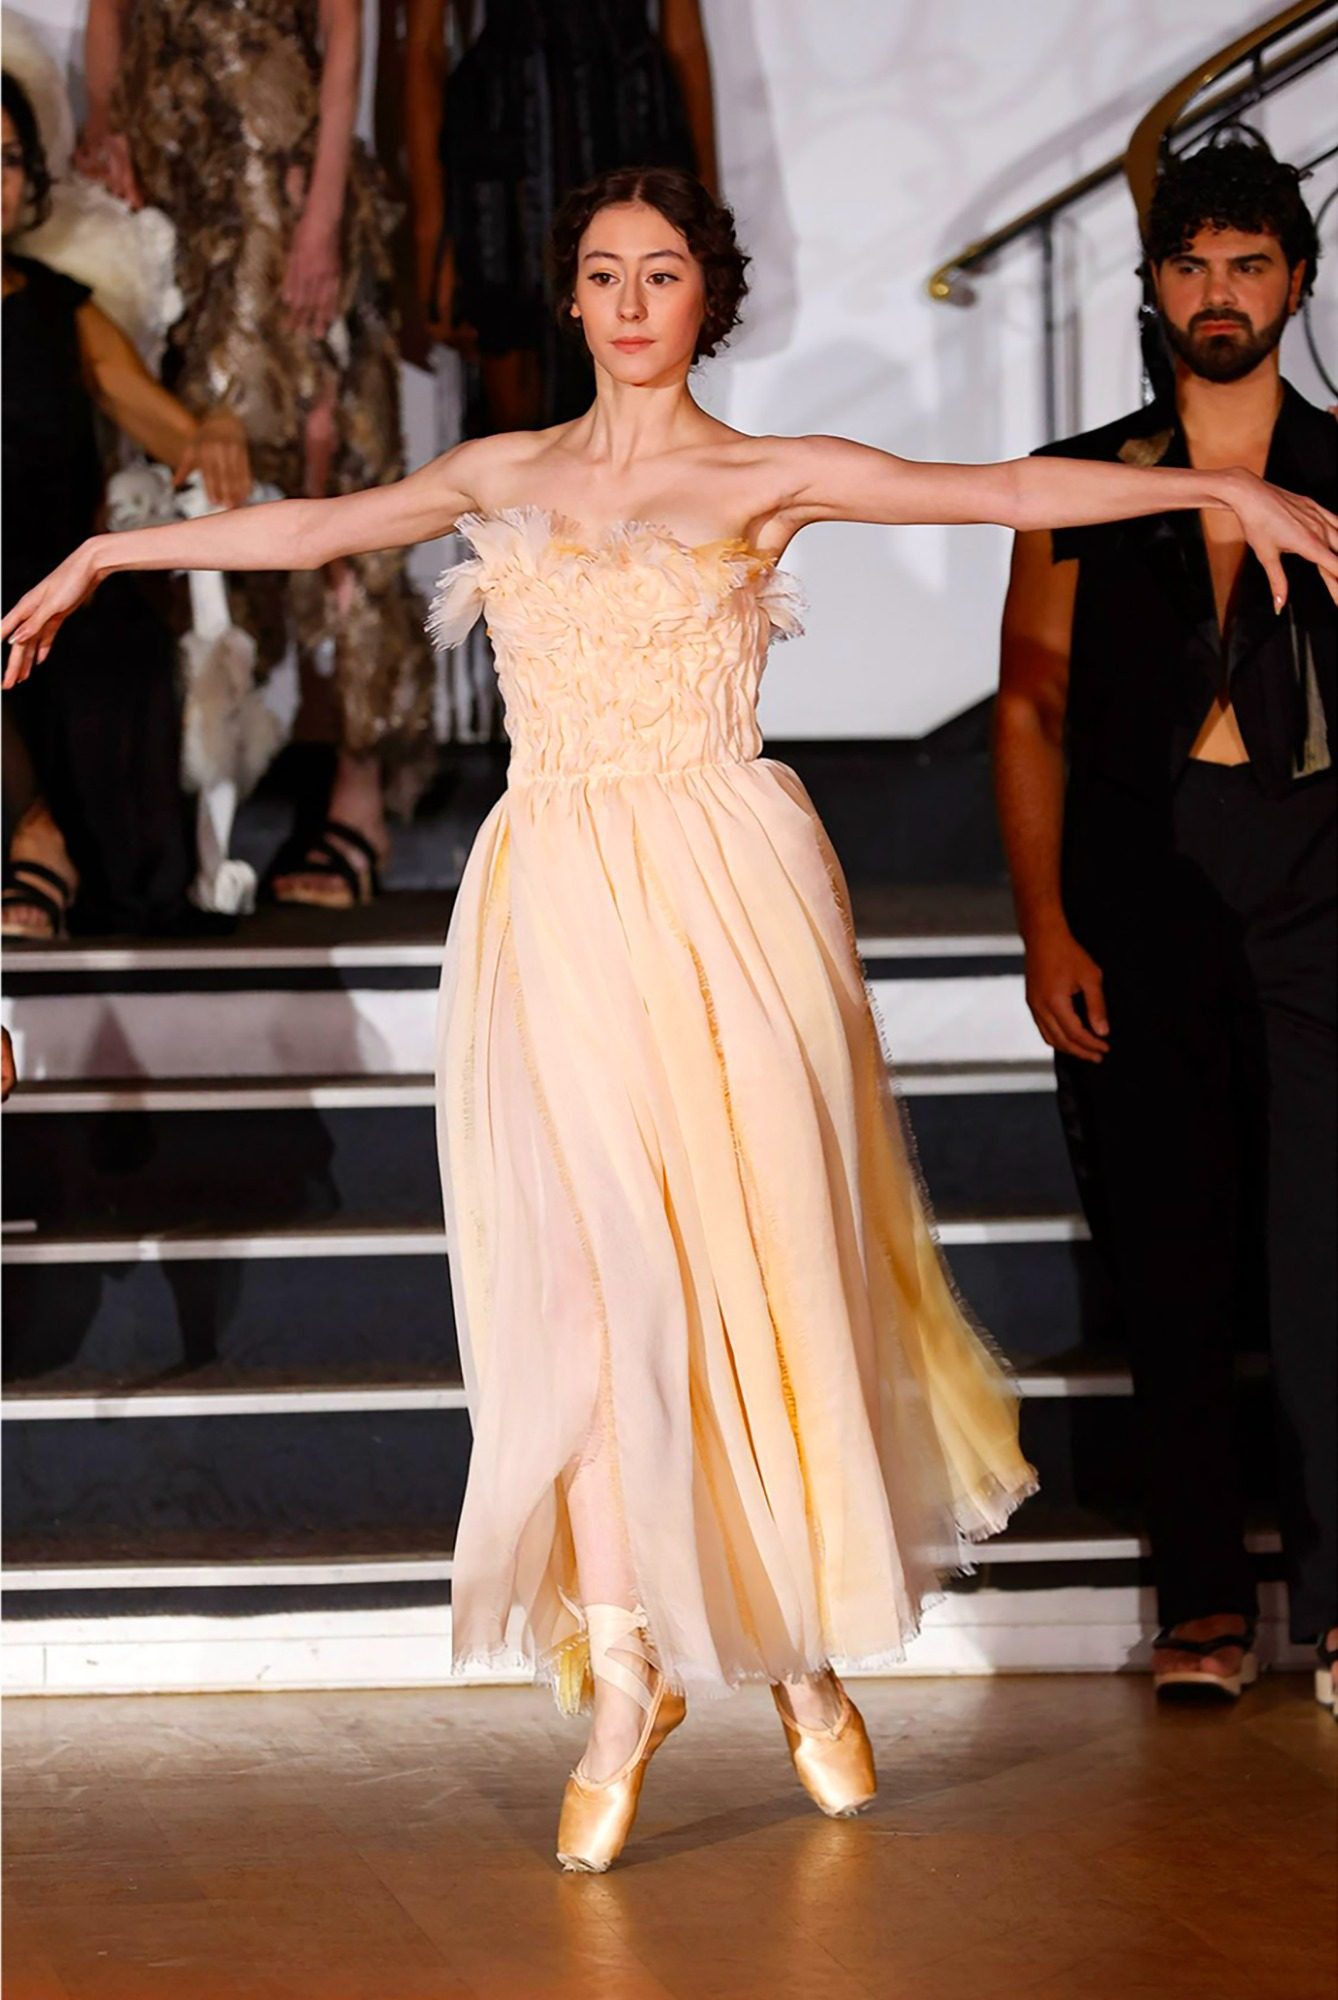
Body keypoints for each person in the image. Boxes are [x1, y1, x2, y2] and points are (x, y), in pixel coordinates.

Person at [7, 166, 1337, 1870]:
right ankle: (624, 1672)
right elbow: (316, 525)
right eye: (600, 273)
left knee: (741, 1275)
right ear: (569, 301)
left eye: (659, 273)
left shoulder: (758, 475)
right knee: (581, 1297)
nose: (629, 300)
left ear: (705, 299)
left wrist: (1223, 498)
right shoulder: (505, 472)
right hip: (553, 900)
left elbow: (996, 483)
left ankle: (787, 1651)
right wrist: (113, 547)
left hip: (724, 896)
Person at [995, 137, 1336, 1712]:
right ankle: (1199, 1602)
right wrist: (1041, 921)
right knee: (1171, 1248)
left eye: (1247, 264)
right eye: (1189, 264)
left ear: (1293, 283)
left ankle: (1332, 1606)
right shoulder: (1085, 479)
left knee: (1323, 1248)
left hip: (1317, 873)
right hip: (1140, 880)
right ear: (1151, 288)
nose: (1217, 292)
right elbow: (1028, 704)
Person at [77, 0, 434, 908]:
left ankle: (360, 798)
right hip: (173, 182)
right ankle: (190, 813)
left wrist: (319, 215)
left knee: (338, 454)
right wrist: (103, 125)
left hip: (279, 183)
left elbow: (344, 29)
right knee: (190, 475)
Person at [2, 70, 250, 938]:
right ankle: (36, 836)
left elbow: (176, 432)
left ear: (31, 179)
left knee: (119, 647)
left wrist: (213, 420)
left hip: (55, 576)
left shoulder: (62, 313)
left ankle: (61, 859)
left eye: (5, 161)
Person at [404, 0, 714, 430]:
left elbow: (685, 41)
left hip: (629, 129)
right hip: (506, 156)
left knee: (637, 391)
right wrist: (431, 241)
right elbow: (423, 48)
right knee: (513, 398)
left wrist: (706, 223)